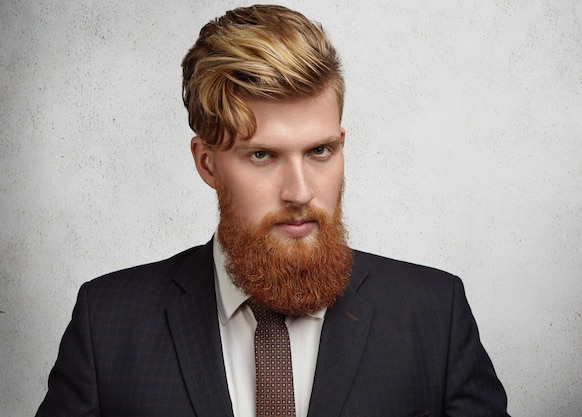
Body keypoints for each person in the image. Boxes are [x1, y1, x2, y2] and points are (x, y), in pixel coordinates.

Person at [36, 4, 509, 417]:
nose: (300, 192)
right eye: (262, 155)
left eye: (320, 151)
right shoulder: (108, 321)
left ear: (342, 144)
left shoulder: (434, 313)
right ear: (207, 163)